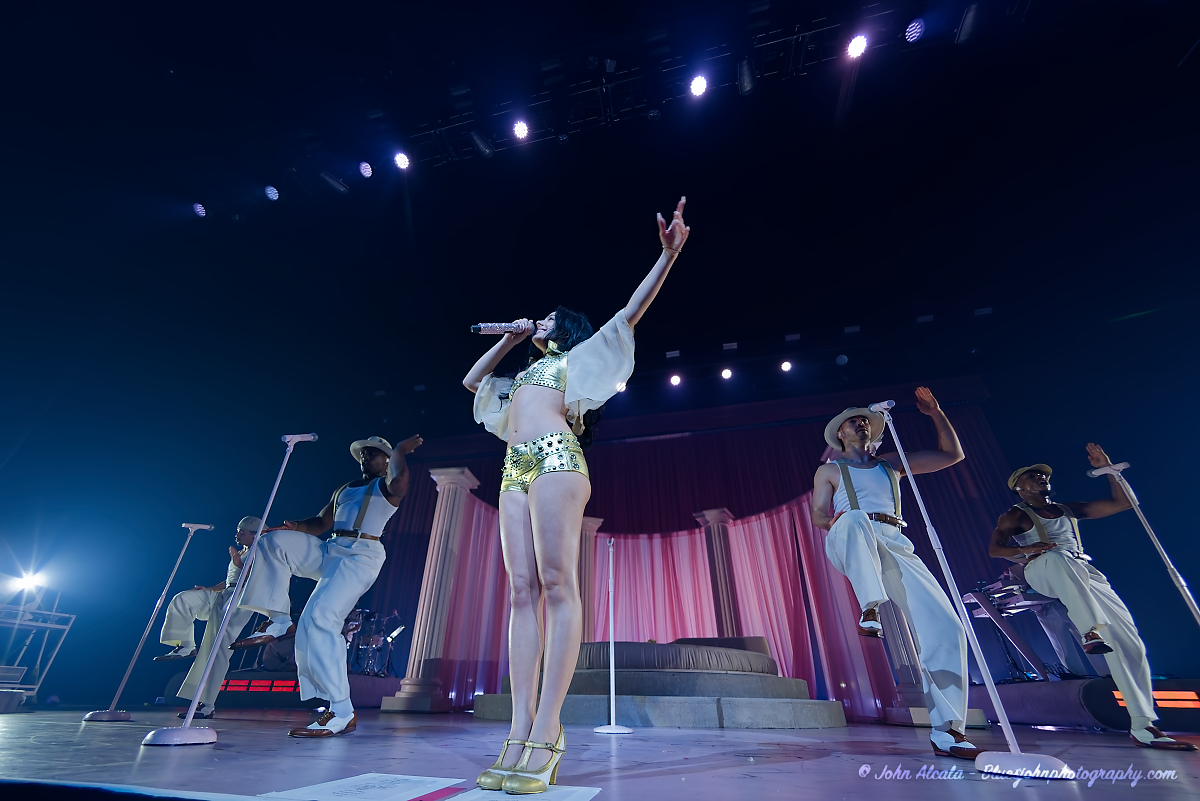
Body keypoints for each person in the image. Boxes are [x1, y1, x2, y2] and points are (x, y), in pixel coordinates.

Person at [463, 197, 689, 794]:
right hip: (513, 466)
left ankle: (547, 728)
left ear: (562, 329)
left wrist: (666, 256)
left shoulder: (574, 362)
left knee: (559, 586)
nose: (536, 322)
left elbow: (629, 313)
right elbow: (471, 382)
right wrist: (512, 339)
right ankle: (516, 734)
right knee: (520, 592)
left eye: (543, 320)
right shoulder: (524, 372)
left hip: (558, 461)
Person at [810, 387, 984, 759]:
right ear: (840, 433)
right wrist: (833, 521)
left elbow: (952, 455)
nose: (861, 424)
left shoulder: (892, 464)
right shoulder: (829, 470)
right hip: (849, 535)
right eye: (854, 421)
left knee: (946, 627)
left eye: (865, 421)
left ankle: (948, 730)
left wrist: (936, 413)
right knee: (855, 518)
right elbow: (818, 515)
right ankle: (870, 607)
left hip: (895, 540)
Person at [990, 446, 1196, 751]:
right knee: (1059, 560)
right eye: (1033, 476)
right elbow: (995, 549)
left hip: (1081, 568)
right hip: (1042, 568)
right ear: (1020, 487)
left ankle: (1143, 725)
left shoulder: (1067, 509)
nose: (1042, 478)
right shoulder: (1016, 514)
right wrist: (1028, 551)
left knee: (1129, 644)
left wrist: (1110, 471)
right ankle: (1090, 630)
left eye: (1044, 475)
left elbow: (1125, 503)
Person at [233, 434, 422, 737]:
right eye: (364, 454)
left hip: (361, 555)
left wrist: (400, 451)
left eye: (374, 454)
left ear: (387, 460)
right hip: (331, 550)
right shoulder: (344, 489)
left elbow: (400, 480)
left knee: (319, 620)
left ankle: (342, 711)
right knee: (271, 540)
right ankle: (279, 621)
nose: (366, 458)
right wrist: (296, 526)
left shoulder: (387, 487)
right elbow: (320, 524)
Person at [153, 516, 261, 719]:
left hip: (239, 602)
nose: (237, 534)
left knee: (218, 651)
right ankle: (185, 645)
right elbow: (229, 580)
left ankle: (207, 705)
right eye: (238, 530)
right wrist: (209, 589)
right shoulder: (243, 552)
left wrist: (237, 563)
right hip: (222, 596)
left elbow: (254, 581)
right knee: (184, 599)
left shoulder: (260, 553)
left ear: (254, 535)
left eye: (242, 532)